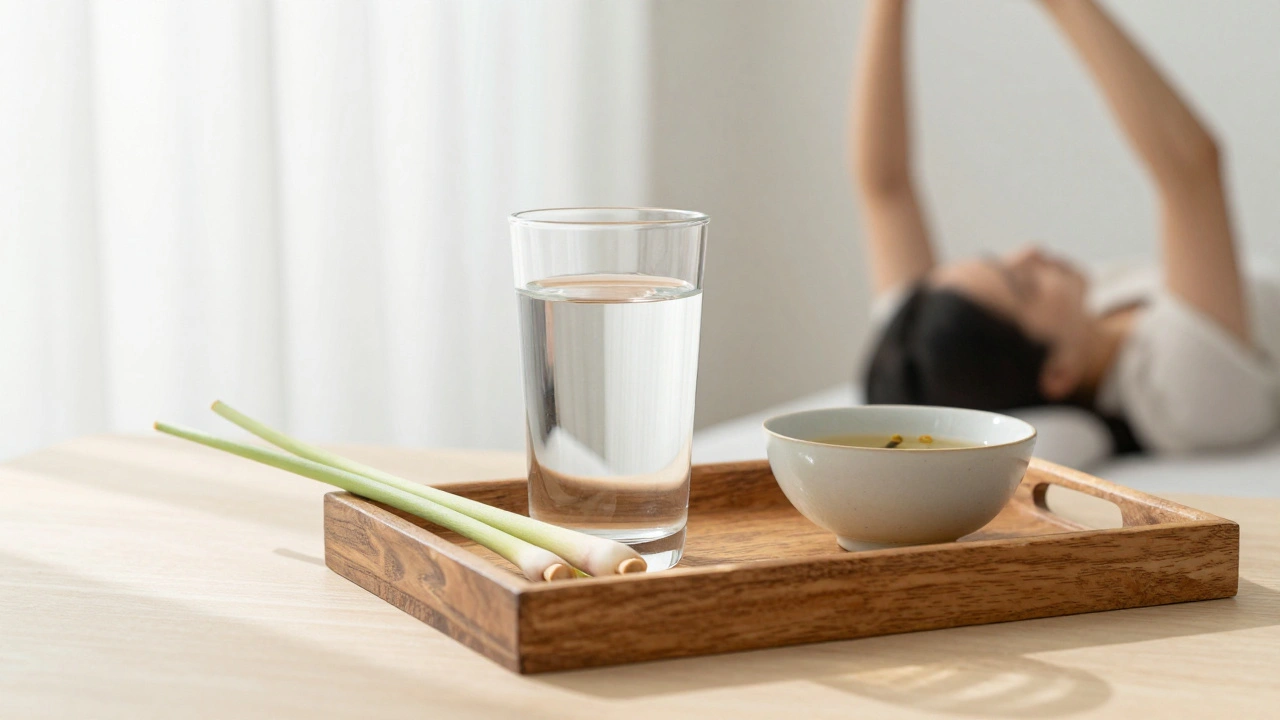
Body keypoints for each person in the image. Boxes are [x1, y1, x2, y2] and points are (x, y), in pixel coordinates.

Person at [853, 0, 1278, 455]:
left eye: (999, 259)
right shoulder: (1180, 390)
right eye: (1024, 285)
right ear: (1057, 375)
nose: (1030, 252)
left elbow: (885, 187)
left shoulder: (931, 357)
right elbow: (1191, 168)